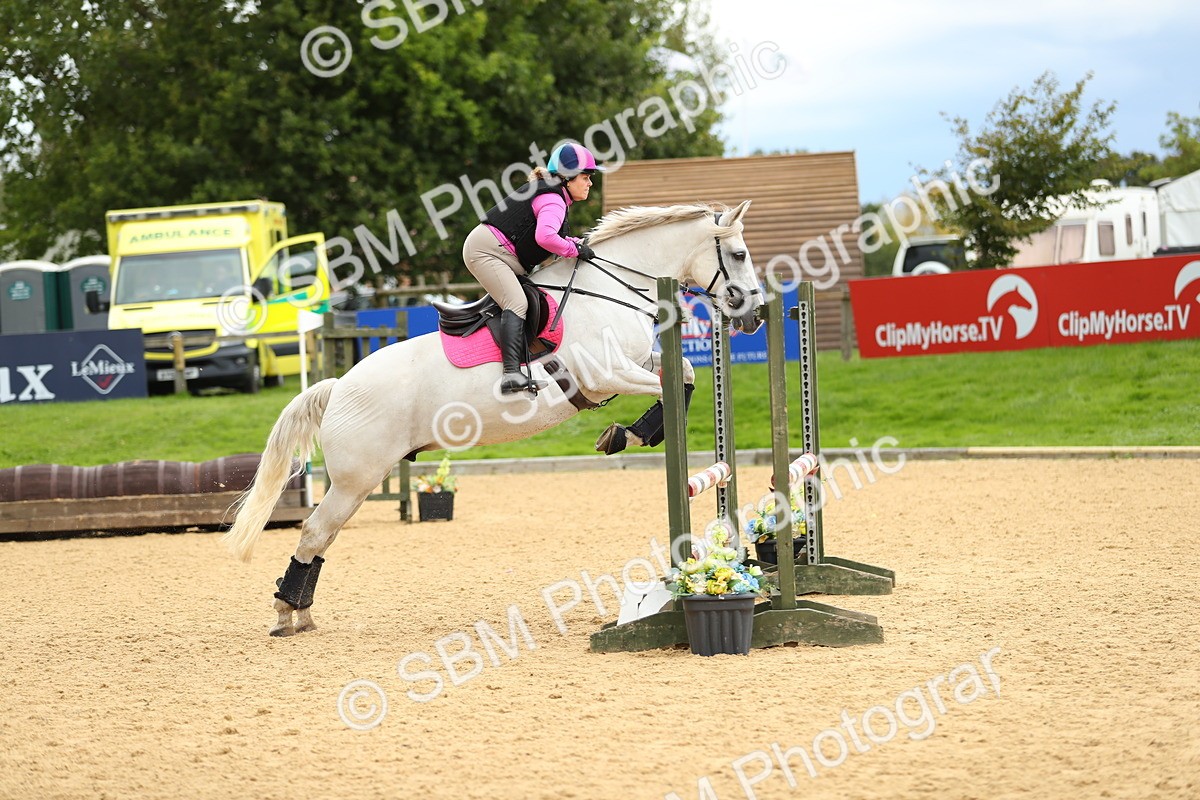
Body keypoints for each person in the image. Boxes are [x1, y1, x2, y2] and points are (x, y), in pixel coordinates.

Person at [463, 141, 602, 394]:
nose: (590, 183)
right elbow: (546, 238)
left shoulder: (553, 194)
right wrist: (574, 249)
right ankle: (511, 375)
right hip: (487, 252)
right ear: (568, 177)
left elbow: (552, 235)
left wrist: (577, 244)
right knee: (517, 303)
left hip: (498, 252)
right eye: (586, 176)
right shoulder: (554, 198)